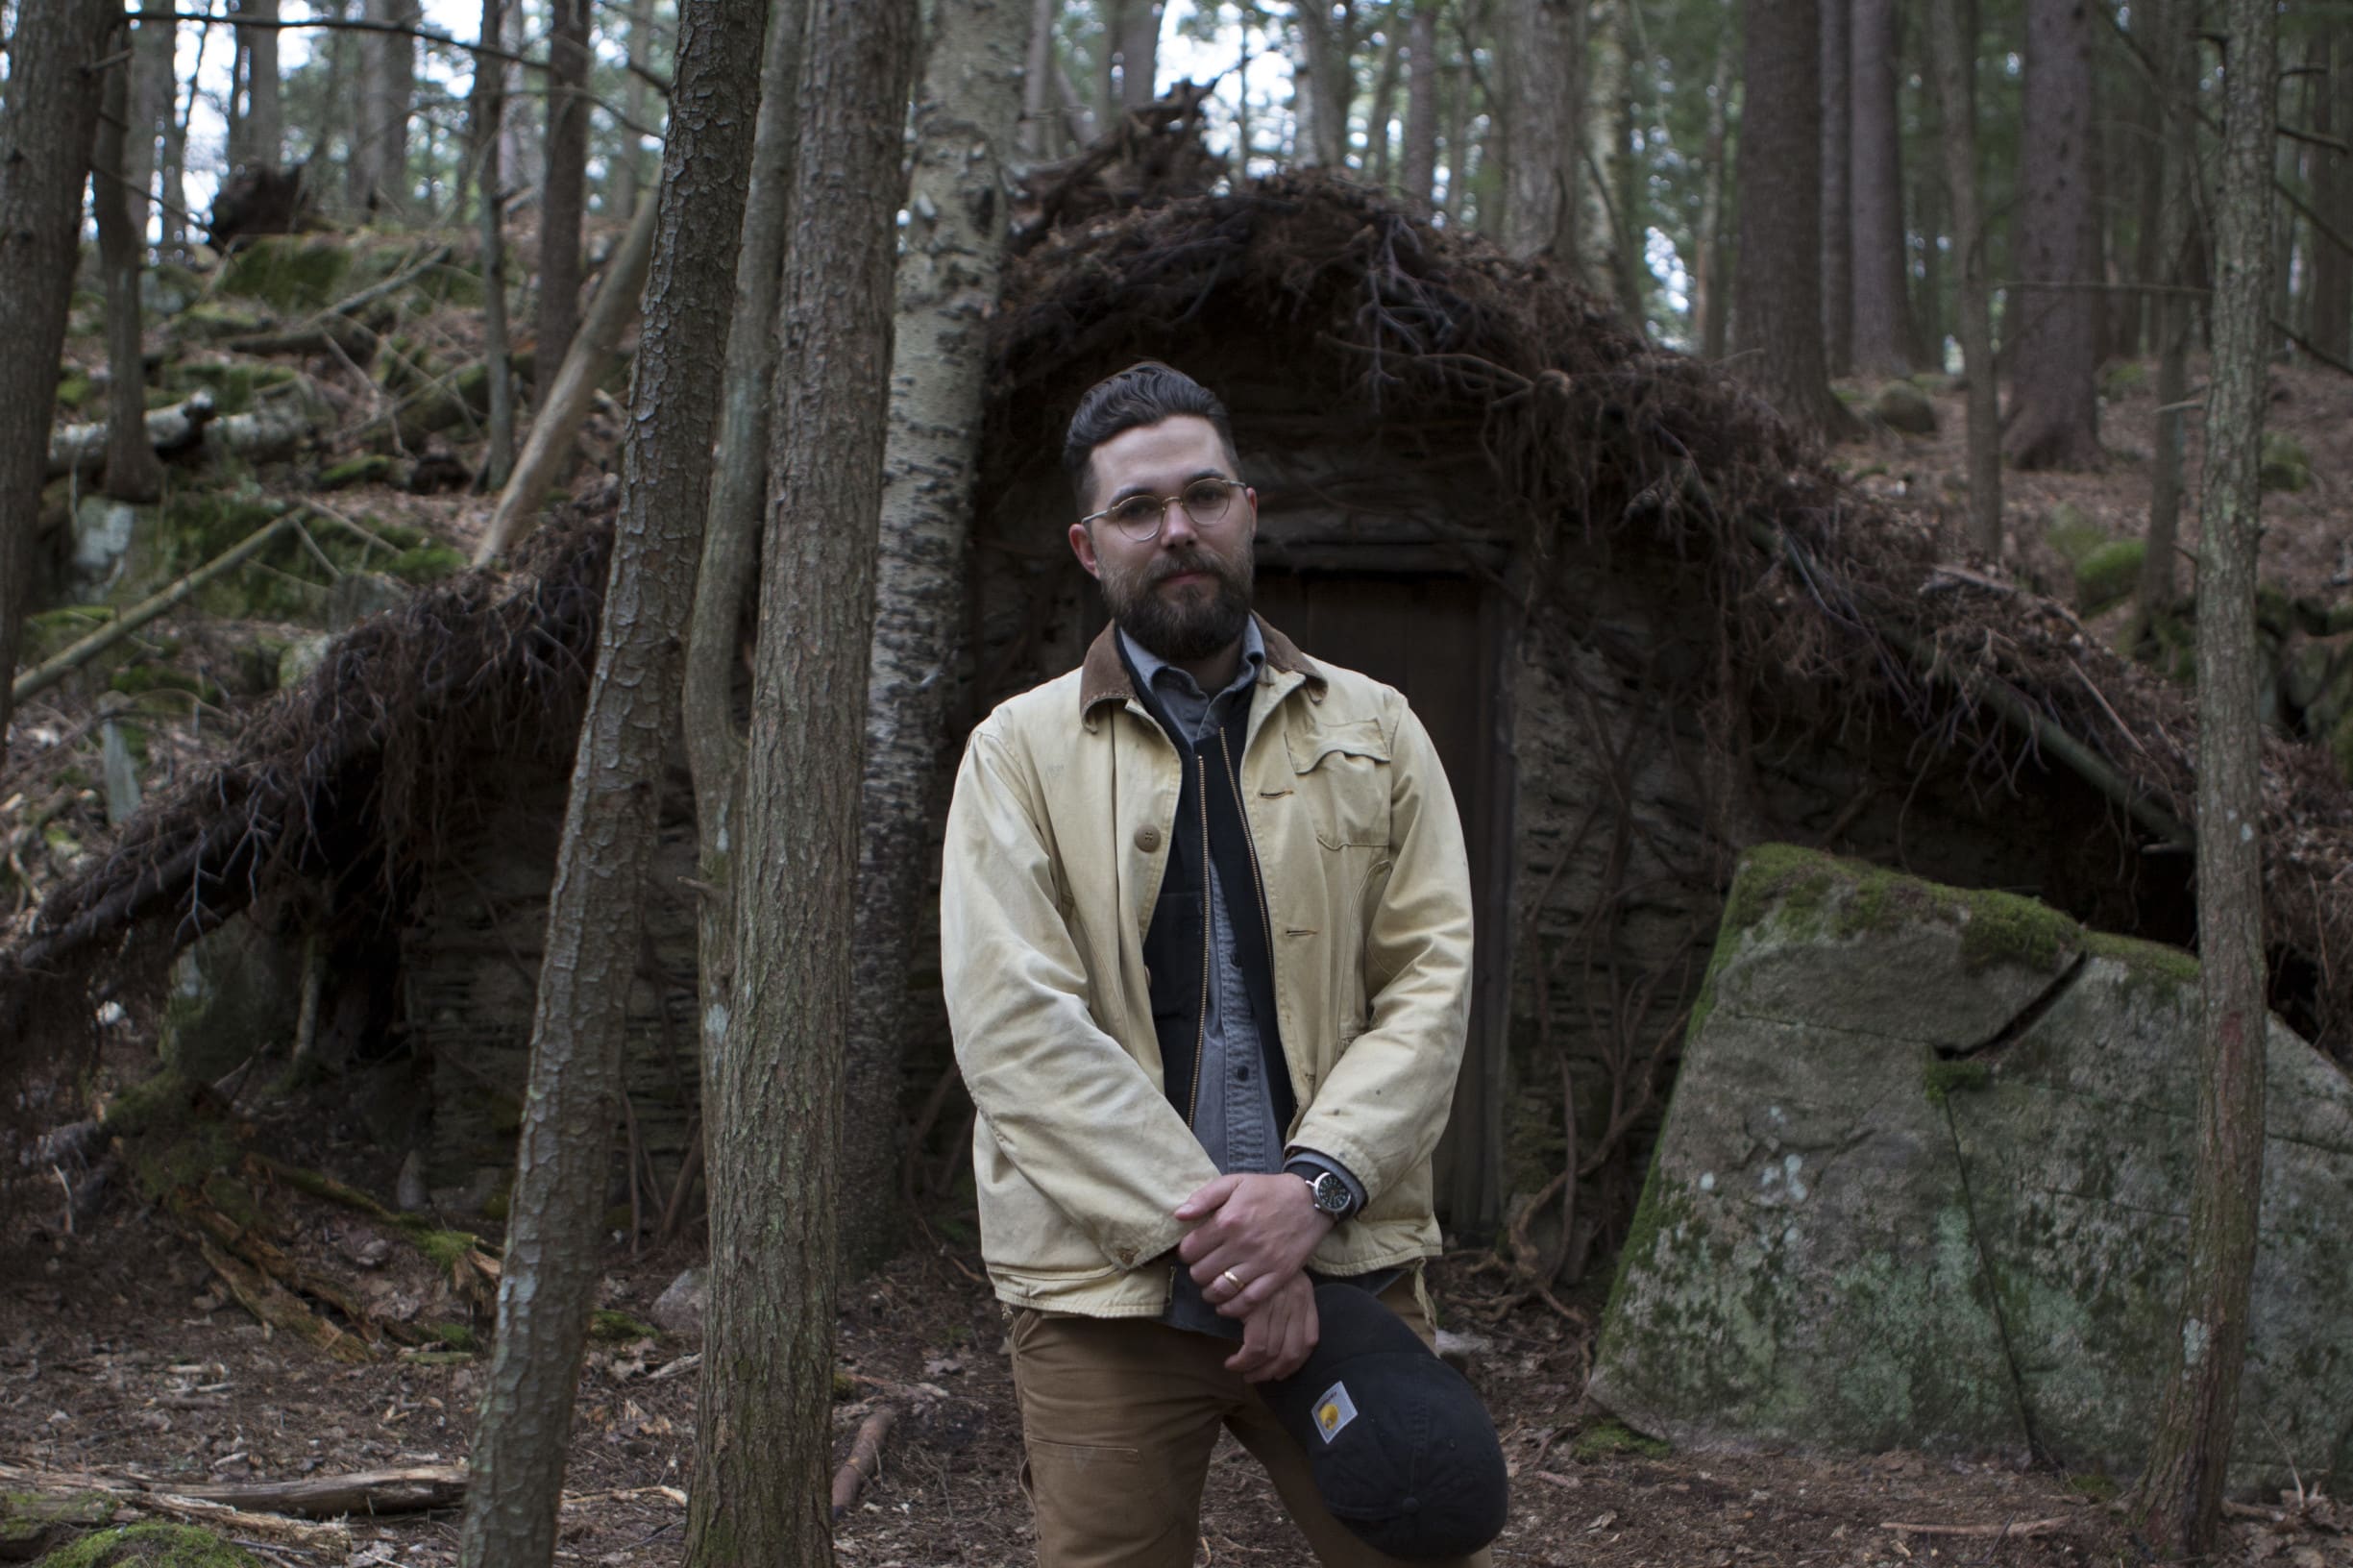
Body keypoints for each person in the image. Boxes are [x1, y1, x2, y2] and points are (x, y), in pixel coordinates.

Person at [940, 361, 1484, 1568]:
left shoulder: (1377, 729)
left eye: (1202, 495)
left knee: (1418, 1542)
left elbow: (1431, 983)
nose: (1174, 529)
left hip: (1345, 1266)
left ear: (1249, 507)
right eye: (1138, 510)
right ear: (1090, 546)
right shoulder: (1015, 754)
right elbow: (1012, 1028)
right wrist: (1231, 1249)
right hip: (1106, 1303)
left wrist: (1312, 1191)